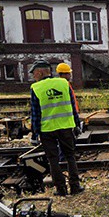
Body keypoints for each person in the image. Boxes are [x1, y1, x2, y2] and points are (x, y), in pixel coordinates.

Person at [29, 60, 84, 196]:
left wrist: (35, 133)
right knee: (70, 156)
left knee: (53, 159)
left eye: (34, 74)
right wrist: (77, 125)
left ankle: (61, 189)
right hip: (66, 126)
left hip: (47, 130)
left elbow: (35, 113)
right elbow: (72, 106)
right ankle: (75, 187)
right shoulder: (64, 83)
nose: (33, 77)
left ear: (40, 72)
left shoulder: (36, 88)